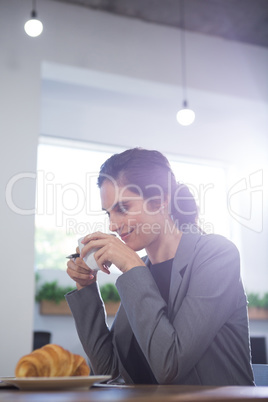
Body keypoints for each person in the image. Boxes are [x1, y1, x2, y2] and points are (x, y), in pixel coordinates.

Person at [65, 147, 254, 385]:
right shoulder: (142, 271)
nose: (113, 225)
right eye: (109, 213)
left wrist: (132, 267)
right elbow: (109, 371)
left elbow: (170, 366)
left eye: (123, 208)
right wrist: (86, 287)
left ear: (161, 201)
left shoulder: (216, 255)